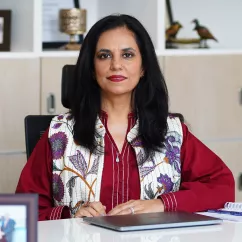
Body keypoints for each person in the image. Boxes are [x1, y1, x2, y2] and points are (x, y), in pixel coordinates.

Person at [16, 14, 235, 220]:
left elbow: (221, 186)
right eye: (104, 55)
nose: (116, 65)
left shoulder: (172, 130)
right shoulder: (59, 133)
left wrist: (162, 204)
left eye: (127, 55)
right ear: (92, 68)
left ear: (143, 68)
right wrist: (70, 217)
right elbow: (22, 212)